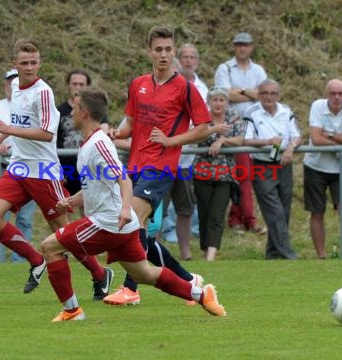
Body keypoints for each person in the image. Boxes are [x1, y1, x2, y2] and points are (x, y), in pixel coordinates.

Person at [41, 88, 225, 321]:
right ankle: (201, 294)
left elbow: (123, 179)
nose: (71, 114)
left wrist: (126, 209)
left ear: (85, 113)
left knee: (49, 247)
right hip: (120, 226)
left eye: (75, 109)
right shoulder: (88, 144)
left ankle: (71, 310)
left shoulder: (99, 143)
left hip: (108, 222)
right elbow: (95, 187)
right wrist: (71, 200)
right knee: (146, 273)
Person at [0, 39, 112, 296]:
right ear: (15, 64)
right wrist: (1, 138)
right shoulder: (18, 87)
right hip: (20, 167)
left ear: (39, 62)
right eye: (24, 63)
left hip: (43, 171)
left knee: (64, 233)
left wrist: (8, 130)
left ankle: (100, 274)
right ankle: (36, 260)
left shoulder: (43, 92)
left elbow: (46, 134)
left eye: (34, 62)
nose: (30, 67)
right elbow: (19, 120)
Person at [105, 26, 210, 306]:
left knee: (131, 220)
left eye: (168, 49)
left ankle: (131, 288)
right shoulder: (138, 83)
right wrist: (115, 133)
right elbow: (130, 123)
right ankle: (189, 281)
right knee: (139, 232)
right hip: (136, 163)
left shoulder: (185, 88)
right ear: (149, 51)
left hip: (162, 166)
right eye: (158, 49)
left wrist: (171, 140)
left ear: (173, 51)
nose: (163, 54)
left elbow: (204, 127)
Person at [214, 31, 267, 235]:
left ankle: (240, 217)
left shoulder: (258, 70)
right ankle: (242, 218)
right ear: (234, 46)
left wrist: (239, 91)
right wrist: (249, 92)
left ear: (251, 46)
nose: (242, 48)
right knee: (235, 175)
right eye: (239, 44)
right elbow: (224, 95)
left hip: (253, 127)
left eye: (246, 44)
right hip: (229, 126)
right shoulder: (225, 68)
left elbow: (262, 96)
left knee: (245, 175)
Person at [303, 79, 342, 259]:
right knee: (317, 212)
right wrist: (340, 141)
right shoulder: (318, 106)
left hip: (340, 168)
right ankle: (322, 257)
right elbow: (316, 139)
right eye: (333, 93)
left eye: (340, 94)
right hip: (315, 166)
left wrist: (329, 135)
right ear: (326, 94)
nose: (337, 97)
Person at [243, 79, 301, 259]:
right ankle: (288, 254)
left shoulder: (286, 110)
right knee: (274, 211)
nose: (269, 97)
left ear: (278, 95)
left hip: (283, 164)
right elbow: (246, 140)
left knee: (284, 211)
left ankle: (273, 254)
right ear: (259, 95)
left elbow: (297, 135)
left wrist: (290, 147)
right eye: (265, 93)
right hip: (262, 165)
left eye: (273, 93)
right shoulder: (252, 112)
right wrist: (267, 142)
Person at [161, 43, 208, 260]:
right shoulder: (158, 95)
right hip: (160, 163)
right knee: (156, 211)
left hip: (184, 163)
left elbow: (201, 127)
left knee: (185, 209)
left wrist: (172, 139)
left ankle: (185, 254)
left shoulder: (194, 94)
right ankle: (154, 251)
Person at [0, 68, 36, 263]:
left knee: (25, 218)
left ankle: (21, 259)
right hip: (4, 167)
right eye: (10, 82)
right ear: (6, 85)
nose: (13, 86)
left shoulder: (31, 104)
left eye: (17, 81)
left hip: (29, 167)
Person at [193, 87, 244, 260]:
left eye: (222, 100)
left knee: (217, 214)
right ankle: (205, 249)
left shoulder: (233, 117)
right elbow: (194, 137)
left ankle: (211, 255)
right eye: (215, 99)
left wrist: (223, 140)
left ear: (227, 102)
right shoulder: (202, 117)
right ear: (209, 101)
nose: (218, 103)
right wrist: (214, 131)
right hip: (202, 172)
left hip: (225, 173)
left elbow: (240, 139)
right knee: (204, 213)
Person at [56, 69, 109, 201]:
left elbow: (104, 129)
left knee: (87, 206)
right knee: (62, 206)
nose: (77, 87)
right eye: (74, 84)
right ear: (68, 85)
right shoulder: (59, 111)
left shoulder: (94, 110)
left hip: (88, 165)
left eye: (81, 84)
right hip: (66, 166)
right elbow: (54, 140)